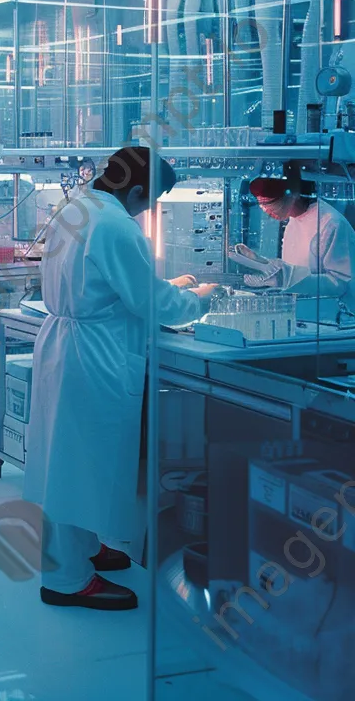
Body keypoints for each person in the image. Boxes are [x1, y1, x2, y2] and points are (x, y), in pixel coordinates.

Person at [24, 147, 218, 611]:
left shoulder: (77, 207)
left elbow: (113, 285)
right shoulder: (115, 225)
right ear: (134, 191)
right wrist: (202, 297)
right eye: (148, 202)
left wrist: (174, 286)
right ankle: (67, 579)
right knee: (81, 465)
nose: (146, 212)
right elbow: (151, 305)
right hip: (96, 355)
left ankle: (85, 550)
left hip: (67, 345)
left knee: (69, 459)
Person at [241, 174, 355, 318]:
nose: (267, 211)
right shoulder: (293, 221)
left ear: (292, 195)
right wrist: (260, 262)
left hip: (334, 319)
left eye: (270, 204)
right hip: (304, 315)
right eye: (262, 206)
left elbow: (342, 283)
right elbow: (294, 266)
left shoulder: (330, 223)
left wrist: (287, 277)